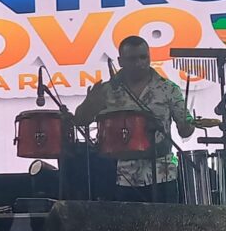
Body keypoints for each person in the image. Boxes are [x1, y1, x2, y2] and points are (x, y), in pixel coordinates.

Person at [73, 36, 195, 203]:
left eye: (143, 57)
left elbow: (185, 130)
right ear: (120, 61)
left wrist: (187, 126)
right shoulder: (107, 90)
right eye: (132, 59)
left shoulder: (168, 89)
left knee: (165, 220)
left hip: (163, 174)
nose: (139, 63)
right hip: (119, 176)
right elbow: (80, 121)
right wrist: (89, 104)